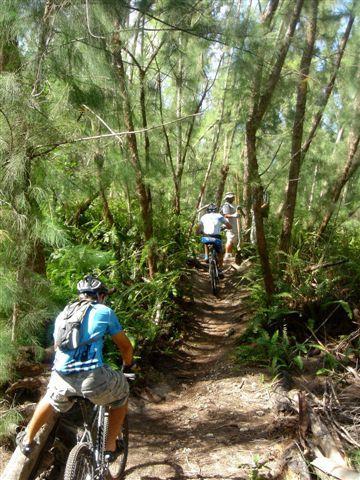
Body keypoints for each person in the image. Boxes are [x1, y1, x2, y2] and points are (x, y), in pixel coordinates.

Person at [16, 275, 133, 462]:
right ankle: (109, 447)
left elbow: (57, 347)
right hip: (92, 379)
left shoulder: (63, 314)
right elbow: (125, 347)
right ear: (101, 296)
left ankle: (28, 439)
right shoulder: (104, 311)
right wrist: (127, 367)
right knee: (122, 393)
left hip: (61, 377)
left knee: (51, 397)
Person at [196, 203, 232, 272]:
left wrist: (198, 233)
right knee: (220, 253)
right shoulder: (219, 216)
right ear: (216, 210)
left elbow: (198, 228)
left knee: (206, 241)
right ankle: (220, 269)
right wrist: (226, 227)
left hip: (206, 238)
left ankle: (206, 257)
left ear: (207, 210)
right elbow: (229, 226)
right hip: (216, 238)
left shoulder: (203, 217)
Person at [220, 192, 241, 258]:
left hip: (235, 226)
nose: (232, 198)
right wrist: (233, 215)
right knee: (230, 240)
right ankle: (227, 254)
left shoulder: (233, 205)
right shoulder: (226, 205)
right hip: (230, 226)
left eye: (232, 197)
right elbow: (225, 215)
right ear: (227, 198)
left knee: (233, 241)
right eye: (230, 197)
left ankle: (230, 255)